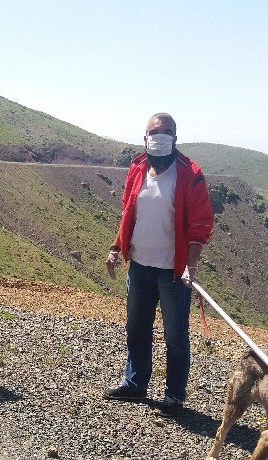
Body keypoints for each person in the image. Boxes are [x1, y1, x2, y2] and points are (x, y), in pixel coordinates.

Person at [103, 112, 214, 411]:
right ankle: (135, 384)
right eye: (155, 131)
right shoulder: (138, 167)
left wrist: (191, 265)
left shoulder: (189, 173)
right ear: (145, 137)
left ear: (176, 138)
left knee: (175, 335)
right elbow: (129, 212)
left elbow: (201, 223)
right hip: (139, 264)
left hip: (173, 271)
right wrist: (116, 248)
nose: (160, 136)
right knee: (137, 327)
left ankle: (174, 393)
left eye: (167, 131)